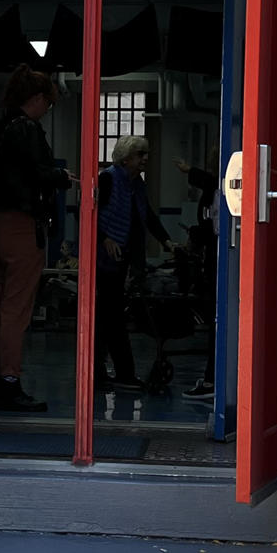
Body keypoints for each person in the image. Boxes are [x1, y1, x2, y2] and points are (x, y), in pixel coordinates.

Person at [0, 65, 71, 413]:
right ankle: (9, 381)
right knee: (17, 310)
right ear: (35, 99)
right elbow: (38, 173)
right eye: (47, 104)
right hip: (23, 225)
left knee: (3, 306)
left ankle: (0, 379)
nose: (47, 110)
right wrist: (62, 176)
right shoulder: (28, 129)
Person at [94, 136, 172, 392]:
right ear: (126, 158)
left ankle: (113, 372)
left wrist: (166, 241)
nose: (145, 159)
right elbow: (90, 214)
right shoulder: (107, 178)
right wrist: (104, 238)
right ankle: (118, 372)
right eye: (141, 154)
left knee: (112, 316)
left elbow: (145, 215)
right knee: (110, 316)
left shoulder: (135, 184)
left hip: (123, 257)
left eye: (146, 153)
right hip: (103, 258)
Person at [176, 157, 220, 400]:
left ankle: (214, 379)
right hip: (212, 258)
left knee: (219, 320)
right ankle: (214, 377)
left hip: (218, 260)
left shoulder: (219, 186)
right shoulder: (213, 189)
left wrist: (189, 169)